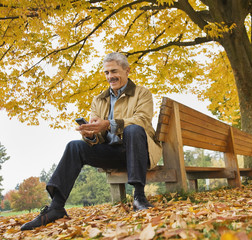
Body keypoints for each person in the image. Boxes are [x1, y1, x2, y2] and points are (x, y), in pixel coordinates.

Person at [21, 52, 162, 231]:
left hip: (138, 151)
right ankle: (56, 206)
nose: (110, 76)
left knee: (133, 129)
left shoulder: (142, 93)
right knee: (74, 146)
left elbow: (142, 120)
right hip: (112, 153)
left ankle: (139, 197)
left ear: (127, 70)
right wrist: (90, 135)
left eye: (114, 71)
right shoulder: (99, 100)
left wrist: (108, 124)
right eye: (106, 73)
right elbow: (99, 136)